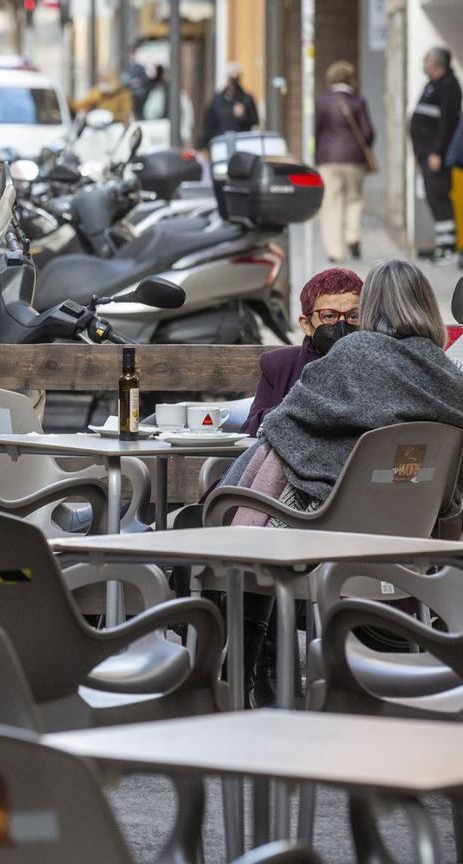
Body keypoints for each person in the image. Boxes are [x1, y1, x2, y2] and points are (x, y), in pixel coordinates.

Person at [224, 258, 463, 706]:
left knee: (253, 533)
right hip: (412, 537)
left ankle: (243, 682)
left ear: (369, 307)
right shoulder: (448, 375)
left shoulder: (353, 355)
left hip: (325, 532)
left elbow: (283, 424)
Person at [242, 268, 363, 437]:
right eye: (329, 316)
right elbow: (251, 430)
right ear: (306, 324)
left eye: (353, 316)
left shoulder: (378, 365)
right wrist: (295, 409)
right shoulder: (279, 365)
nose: (342, 324)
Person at [314, 61, 375, 264]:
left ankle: (335, 251)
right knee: (354, 200)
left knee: (331, 203)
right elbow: (368, 132)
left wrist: (318, 155)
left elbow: (316, 131)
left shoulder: (322, 102)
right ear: (351, 78)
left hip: (327, 159)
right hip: (353, 159)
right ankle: (353, 237)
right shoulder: (358, 102)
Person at [410, 47, 461, 265]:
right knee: (433, 197)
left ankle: (447, 248)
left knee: (439, 197)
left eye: (427, 60)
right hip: (425, 153)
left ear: (437, 64)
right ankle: (443, 245)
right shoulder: (433, 85)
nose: (424, 64)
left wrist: (437, 152)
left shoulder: (449, 86)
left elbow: (447, 124)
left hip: (435, 155)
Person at [198, 62, 259, 149]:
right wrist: (203, 145)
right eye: (231, 78)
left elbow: (254, 121)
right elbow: (209, 124)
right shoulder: (218, 99)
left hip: (241, 144)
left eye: (236, 78)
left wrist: (242, 117)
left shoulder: (246, 99)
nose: (233, 83)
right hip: (220, 143)